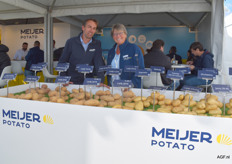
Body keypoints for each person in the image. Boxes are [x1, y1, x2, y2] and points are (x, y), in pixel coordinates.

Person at [59, 18, 105, 84]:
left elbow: (98, 63)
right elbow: (62, 61)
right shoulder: (71, 42)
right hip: (71, 81)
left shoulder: (97, 44)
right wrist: (64, 79)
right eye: (89, 27)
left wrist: (101, 81)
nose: (91, 30)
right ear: (83, 28)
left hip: (89, 81)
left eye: (94, 28)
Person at [107, 24, 145, 88]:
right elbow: (108, 71)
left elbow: (140, 70)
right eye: (115, 34)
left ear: (125, 34)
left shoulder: (134, 49)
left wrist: (131, 84)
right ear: (112, 36)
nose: (118, 36)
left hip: (130, 89)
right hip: (113, 88)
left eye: (120, 33)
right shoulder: (111, 52)